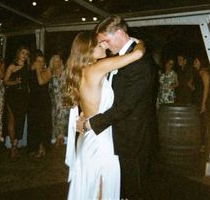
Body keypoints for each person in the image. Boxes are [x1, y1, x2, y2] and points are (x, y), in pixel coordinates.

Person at [77, 15, 158, 200]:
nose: (104, 45)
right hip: (114, 135)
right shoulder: (123, 58)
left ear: (119, 33)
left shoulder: (140, 62)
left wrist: (92, 123)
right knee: (112, 187)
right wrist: (86, 113)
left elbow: (126, 106)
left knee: (133, 190)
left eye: (104, 40)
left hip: (133, 138)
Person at [65, 30, 145, 200]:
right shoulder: (97, 68)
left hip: (88, 138)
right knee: (101, 187)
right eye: (99, 43)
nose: (104, 45)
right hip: (100, 140)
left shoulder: (82, 71)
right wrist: (138, 41)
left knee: (92, 187)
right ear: (89, 49)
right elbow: (138, 54)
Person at [4, 46, 30, 161]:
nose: (25, 55)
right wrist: (14, 82)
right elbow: (5, 81)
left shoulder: (27, 67)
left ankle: (14, 146)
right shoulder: (12, 66)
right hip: (12, 95)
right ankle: (13, 147)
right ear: (18, 53)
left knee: (20, 121)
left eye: (27, 53)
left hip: (23, 96)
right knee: (12, 120)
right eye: (23, 53)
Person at [28, 50, 52, 158]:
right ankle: (34, 147)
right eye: (38, 61)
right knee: (34, 124)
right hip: (33, 100)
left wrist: (38, 70)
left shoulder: (47, 70)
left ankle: (42, 148)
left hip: (43, 101)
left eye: (42, 61)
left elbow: (41, 82)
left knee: (43, 124)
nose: (40, 63)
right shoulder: (31, 71)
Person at [192, 55, 210, 153]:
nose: (194, 63)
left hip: (203, 101)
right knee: (199, 123)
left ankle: (205, 145)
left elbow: (206, 89)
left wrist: (204, 103)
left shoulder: (204, 73)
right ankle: (201, 144)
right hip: (197, 100)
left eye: (196, 61)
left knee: (204, 124)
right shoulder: (198, 73)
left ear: (201, 62)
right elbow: (197, 87)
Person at [49, 54, 67, 147]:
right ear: (52, 63)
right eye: (56, 60)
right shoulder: (50, 74)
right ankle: (57, 137)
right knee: (55, 120)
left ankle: (60, 138)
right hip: (54, 101)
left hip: (64, 101)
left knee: (62, 119)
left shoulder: (65, 73)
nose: (58, 62)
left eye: (59, 60)